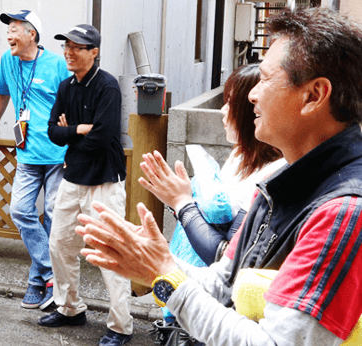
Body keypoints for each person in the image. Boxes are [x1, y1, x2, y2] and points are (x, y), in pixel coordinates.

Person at [77, 8, 362, 346]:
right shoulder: (283, 182)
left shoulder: (342, 213)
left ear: (314, 95)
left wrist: (164, 273)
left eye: (267, 79)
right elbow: (223, 280)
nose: (252, 95)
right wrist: (159, 266)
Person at [40, 24, 133, 346]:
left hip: (104, 180)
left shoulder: (107, 85)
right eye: (67, 46)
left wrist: (74, 136)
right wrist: (78, 130)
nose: (69, 51)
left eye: (77, 47)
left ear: (94, 52)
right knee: (59, 244)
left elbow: (104, 135)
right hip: (73, 178)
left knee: (109, 252)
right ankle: (69, 308)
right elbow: (52, 130)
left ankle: (121, 325)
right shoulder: (66, 86)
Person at [140, 64, 285, 266]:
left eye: (231, 102)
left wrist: (182, 203)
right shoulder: (239, 155)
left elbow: (226, 257)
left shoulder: (272, 174)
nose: (223, 110)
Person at [0, 9, 69, 310]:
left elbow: (73, 105)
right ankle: (50, 272)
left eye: (15, 29)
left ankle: (35, 280)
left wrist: (75, 147)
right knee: (19, 210)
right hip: (27, 152)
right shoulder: (8, 60)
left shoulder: (57, 64)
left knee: (55, 217)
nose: (9, 35)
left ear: (32, 34)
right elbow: (2, 95)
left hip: (58, 153)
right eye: (8, 30)